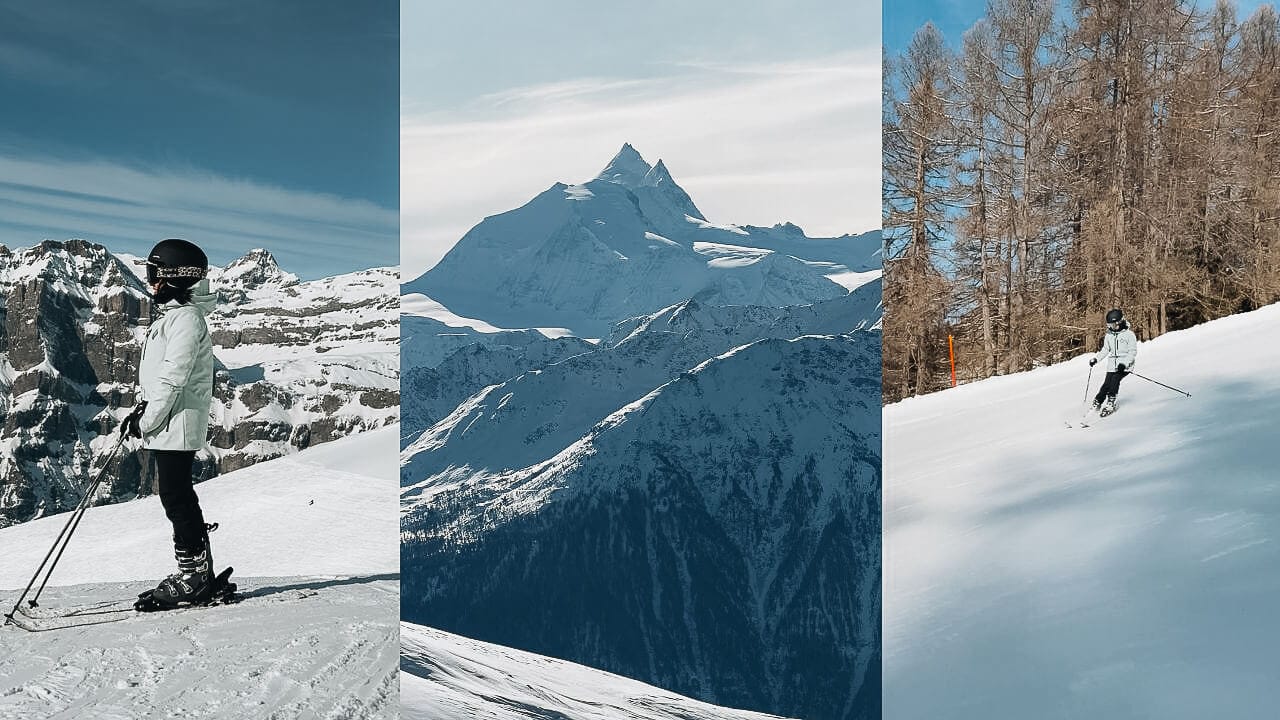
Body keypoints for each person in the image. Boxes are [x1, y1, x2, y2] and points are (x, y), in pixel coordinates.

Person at [119, 238, 217, 606]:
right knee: (176, 497)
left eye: (155, 275)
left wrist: (148, 421)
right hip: (167, 421)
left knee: (176, 498)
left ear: (176, 277)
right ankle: (196, 571)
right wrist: (142, 413)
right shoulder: (176, 318)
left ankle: (194, 577)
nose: (151, 283)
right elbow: (162, 378)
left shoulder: (187, 321)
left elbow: (174, 377)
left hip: (176, 424)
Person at [1088, 308, 1137, 416]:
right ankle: (1097, 402)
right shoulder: (1109, 335)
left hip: (1124, 365)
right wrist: (1096, 359)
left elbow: (1132, 352)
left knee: (1115, 380)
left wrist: (1124, 364)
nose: (1110, 327)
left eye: (1112, 325)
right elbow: (1106, 349)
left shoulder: (1129, 335)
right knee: (1106, 385)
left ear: (1119, 322)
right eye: (1109, 325)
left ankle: (1110, 402)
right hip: (1112, 365)